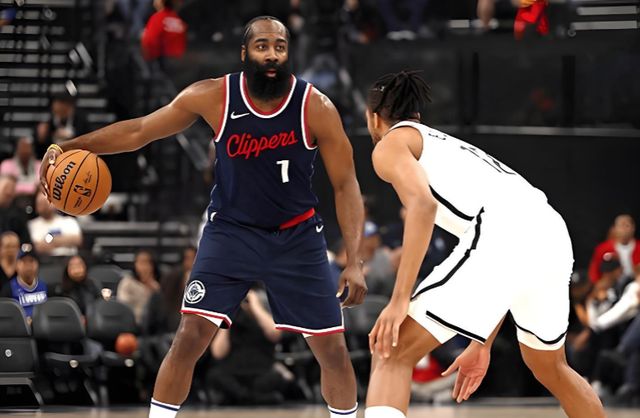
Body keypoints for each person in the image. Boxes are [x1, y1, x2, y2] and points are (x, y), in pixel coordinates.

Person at [41, 15, 365, 418]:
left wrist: (355, 260)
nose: (272, 55)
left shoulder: (315, 106)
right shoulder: (214, 96)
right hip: (231, 233)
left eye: (280, 47)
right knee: (190, 335)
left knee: (332, 349)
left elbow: (346, 184)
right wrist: (69, 146)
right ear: (244, 53)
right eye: (262, 46)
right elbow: (139, 131)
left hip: (296, 236)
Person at [362, 71, 605, 418]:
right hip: (551, 233)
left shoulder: (390, 144)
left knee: (391, 349)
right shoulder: (450, 147)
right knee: (550, 365)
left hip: (505, 232)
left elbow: (422, 206)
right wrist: (482, 340)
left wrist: (399, 300)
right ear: (417, 115)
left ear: (374, 118)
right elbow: (505, 266)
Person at [589, 214, 640, 284]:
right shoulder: (603, 248)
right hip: (611, 284)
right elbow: (594, 271)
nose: (624, 229)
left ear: (633, 228)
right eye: (621, 226)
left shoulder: (638, 247)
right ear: (615, 228)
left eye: (627, 226)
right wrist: (597, 285)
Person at [1, 244, 48, 320]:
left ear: (37, 264)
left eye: (31, 261)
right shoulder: (8, 289)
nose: (28, 265)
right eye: (24, 261)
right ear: (16, 265)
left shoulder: (45, 286)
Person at [28, 193, 83, 257]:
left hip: (69, 258)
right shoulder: (32, 225)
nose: (45, 206)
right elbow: (38, 248)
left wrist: (51, 241)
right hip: (46, 259)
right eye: (41, 204)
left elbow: (77, 240)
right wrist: (64, 240)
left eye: (47, 202)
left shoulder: (68, 221)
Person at [117, 249, 161, 325]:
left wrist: (152, 287)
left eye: (147, 263)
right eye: (140, 263)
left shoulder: (158, 285)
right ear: (135, 264)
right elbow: (123, 305)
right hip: (132, 323)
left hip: (154, 323)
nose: (144, 267)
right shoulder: (127, 283)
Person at [0, 174, 31, 244]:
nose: (9, 192)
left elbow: (26, 242)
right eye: (6, 187)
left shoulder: (19, 214)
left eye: (12, 189)